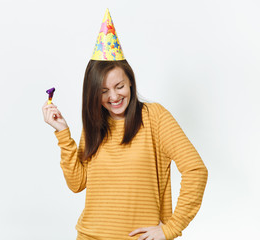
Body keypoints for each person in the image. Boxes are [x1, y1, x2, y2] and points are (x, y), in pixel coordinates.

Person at [42, 9, 208, 240]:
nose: (113, 97)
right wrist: (63, 133)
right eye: (103, 91)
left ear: (130, 81)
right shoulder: (95, 124)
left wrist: (171, 228)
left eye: (119, 86)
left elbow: (196, 170)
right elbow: (77, 184)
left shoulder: (155, 117)